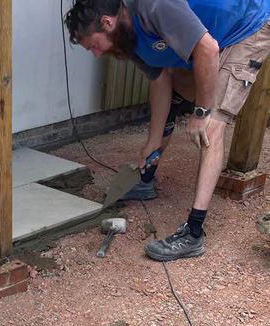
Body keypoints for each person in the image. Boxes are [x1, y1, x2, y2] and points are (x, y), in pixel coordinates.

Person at [65, 0, 270, 261]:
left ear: (107, 22)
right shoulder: (127, 40)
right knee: (176, 91)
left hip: (249, 24)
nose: (96, 54)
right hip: (214, 35)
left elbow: (208, 49)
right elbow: (161, 81)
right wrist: (152, 141)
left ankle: (193, 233)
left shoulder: (155, 6)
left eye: (94, 45)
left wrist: (201, 112)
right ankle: (146, 181)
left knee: (211, 126)